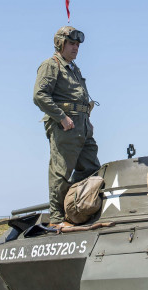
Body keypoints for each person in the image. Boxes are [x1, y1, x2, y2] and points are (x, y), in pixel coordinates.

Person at [33, 26, 100, 228]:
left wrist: (86, 122)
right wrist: (61, 117)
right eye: (72, 43)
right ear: (60, 44)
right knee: (61, 172)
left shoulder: (74, 69)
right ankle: (57, 219)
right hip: (66, 126)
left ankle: (79, 210)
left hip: (82, 124)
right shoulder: (51, 65)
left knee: (91, 169)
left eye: (77, 44)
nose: (76, 48)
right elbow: (39, 95)